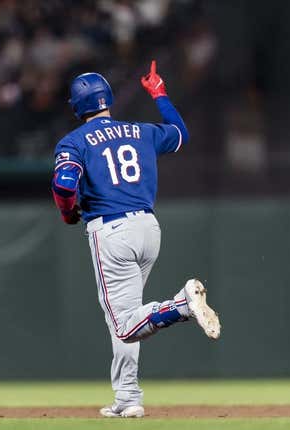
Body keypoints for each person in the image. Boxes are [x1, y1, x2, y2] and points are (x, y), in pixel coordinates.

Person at [51, 61, 221, 418]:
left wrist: (68, 214)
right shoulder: (140, 131)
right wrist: (159, 93)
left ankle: (182, 306)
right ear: (107, 99)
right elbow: (179, 133)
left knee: (124, 326)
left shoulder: (75, 141)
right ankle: (128, 397)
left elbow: (64, 184)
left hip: (111, 231)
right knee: (130, 315)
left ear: (78, 107)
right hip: (149, 228)